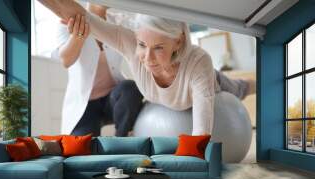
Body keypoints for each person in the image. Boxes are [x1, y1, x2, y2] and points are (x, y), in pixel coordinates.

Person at [38, 0, 256, 135]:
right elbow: (79, 16)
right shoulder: (130, 41)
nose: (148, 58)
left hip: (204, 81)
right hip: (90, 102)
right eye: (143, 45)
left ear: (178, 42)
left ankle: (262, 83)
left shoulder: (199, 62)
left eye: (159, 48)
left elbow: (201, 131)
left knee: (239, 87)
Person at [51, 3, 143, 136]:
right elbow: (66, 61)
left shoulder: (119, 22)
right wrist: (78, 36)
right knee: (83, 151)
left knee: (130, 88)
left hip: (113, 99)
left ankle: (120, 142)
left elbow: (144, 28)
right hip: (84, 106)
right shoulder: (67, 21)